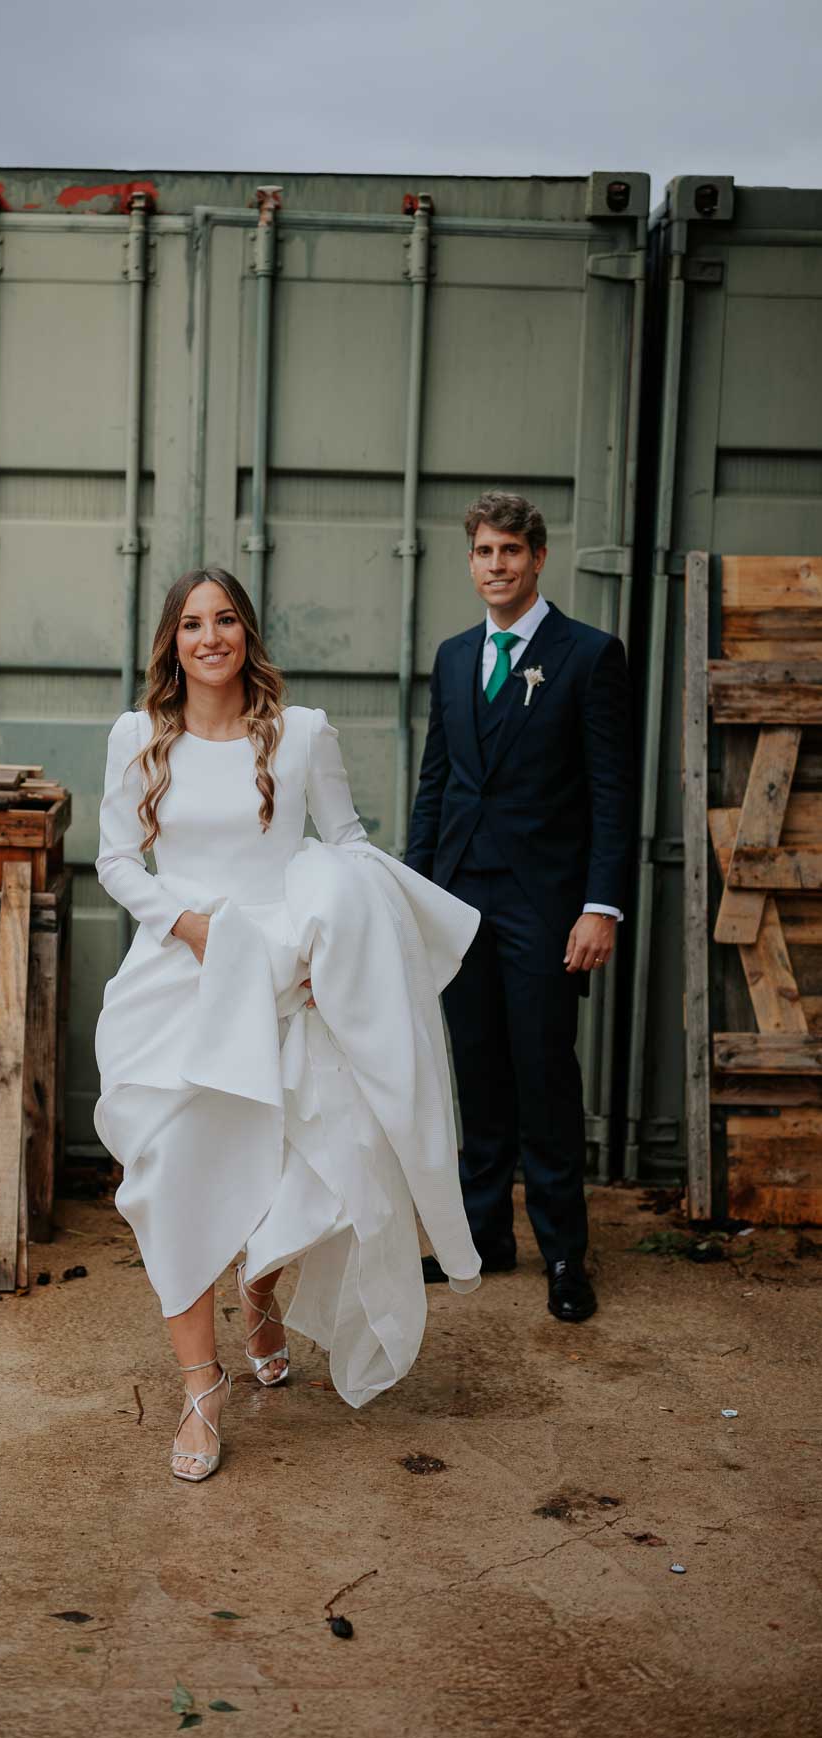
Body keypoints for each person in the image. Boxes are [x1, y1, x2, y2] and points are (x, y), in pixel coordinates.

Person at [94, 566, 483, 1482]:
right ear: (171, 642)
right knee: (165, 1174)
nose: (209, 637)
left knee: (288, 1167)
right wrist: (183, 924)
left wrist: (331, 952)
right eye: (191, 624)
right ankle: (200, 1387)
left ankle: (259, 1291)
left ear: (247, 634)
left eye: (225, 619)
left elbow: (347, 851)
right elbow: (116, 858)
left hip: (287, 978)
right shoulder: (137, 736)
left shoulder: (300, 735)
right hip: (179, 976)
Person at [406, 492, 633, 1323]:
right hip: (460, 895)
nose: (495, 565)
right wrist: (412, 891)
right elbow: (436, 785)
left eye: (510, 551)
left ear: (537, 559)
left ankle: (564, 1253)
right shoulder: (456, 654)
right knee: (477, 1071)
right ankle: (480, 1238)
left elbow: (612, 795)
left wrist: (599, 905)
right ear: (469, 562)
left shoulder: (587, 655)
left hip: (545, 903)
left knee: (543, 1073)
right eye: (482, 552)